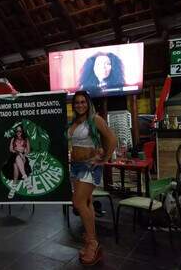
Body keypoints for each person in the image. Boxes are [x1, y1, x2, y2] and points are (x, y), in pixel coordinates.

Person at [68, 90, 117, 266]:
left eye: (83, 102)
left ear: (88, 103)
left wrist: (104, 159)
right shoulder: (74, 121)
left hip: (89, 166)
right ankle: (90, 242)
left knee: (78, 203)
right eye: (77, 102)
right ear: (73, 105)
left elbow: (112, 139)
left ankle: (93, 242)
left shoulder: (95, 119)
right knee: (86, 204)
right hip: (75, 166)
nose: (80, 105)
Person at [6, 124, 32, 199]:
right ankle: (26, 179)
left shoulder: (26, 139)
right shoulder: (13, 139)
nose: (18, 132)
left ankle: (13, 188)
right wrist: (19, 152)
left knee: (16, 164)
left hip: (23, 157)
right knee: (16, 161)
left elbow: (28, 150)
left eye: (20, 131)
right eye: (17, 131)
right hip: (14, 156)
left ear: (22, 131)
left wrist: (23, 153)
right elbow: (11, 149)